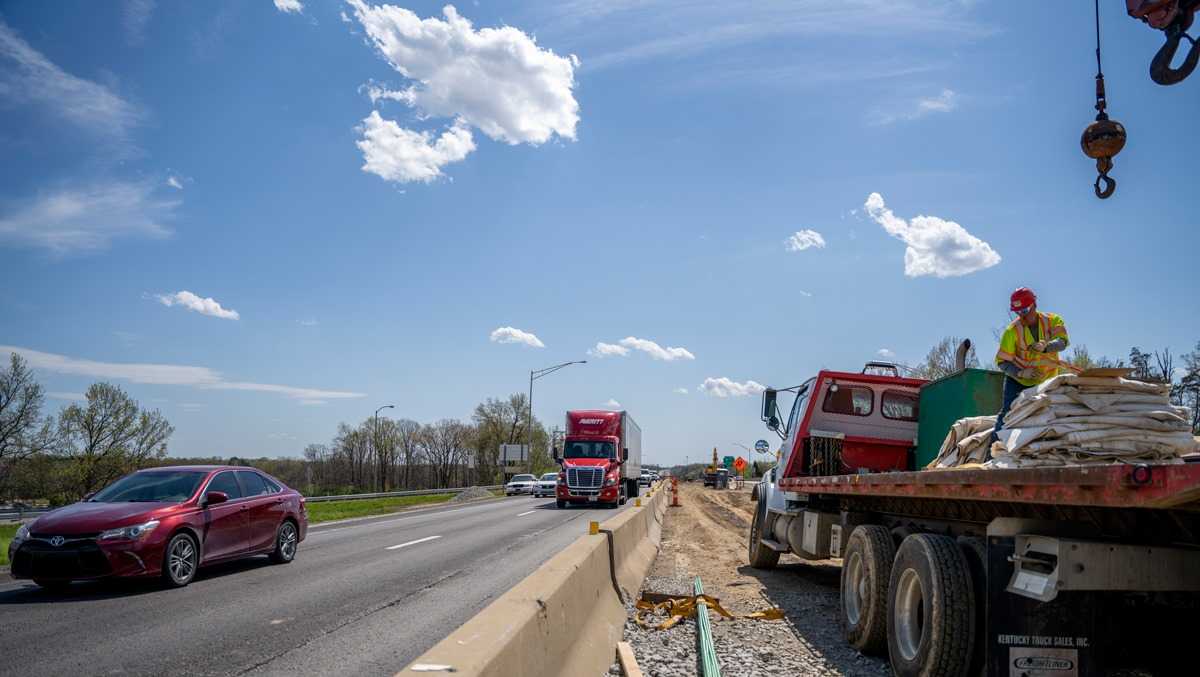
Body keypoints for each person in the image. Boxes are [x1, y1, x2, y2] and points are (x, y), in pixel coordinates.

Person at [991, 287, 1070, 450]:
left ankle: (1048, 450)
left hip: (1047, 380)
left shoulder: (1053, 321)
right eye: (1018, 312)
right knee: (1007, 414)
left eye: (1025, 310)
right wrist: (1021, 372)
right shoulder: (1011, 331)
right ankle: (992, 453)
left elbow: (1063, 342)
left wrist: (1047, 346)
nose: (1022, 315)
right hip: (1018, 380)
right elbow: (1001, 361)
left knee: (1049, 414)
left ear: (1034, 304)